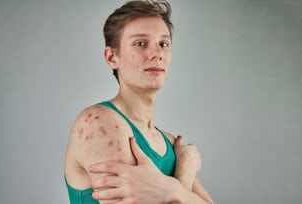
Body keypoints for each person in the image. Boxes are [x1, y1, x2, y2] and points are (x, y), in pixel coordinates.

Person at [64, 0, 214, 203]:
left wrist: (173, 191)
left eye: (164, 44)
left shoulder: (170, 142)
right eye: (140, 43)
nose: (157, 54)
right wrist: (182, 180)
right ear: (111, 57)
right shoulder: (99, 122)